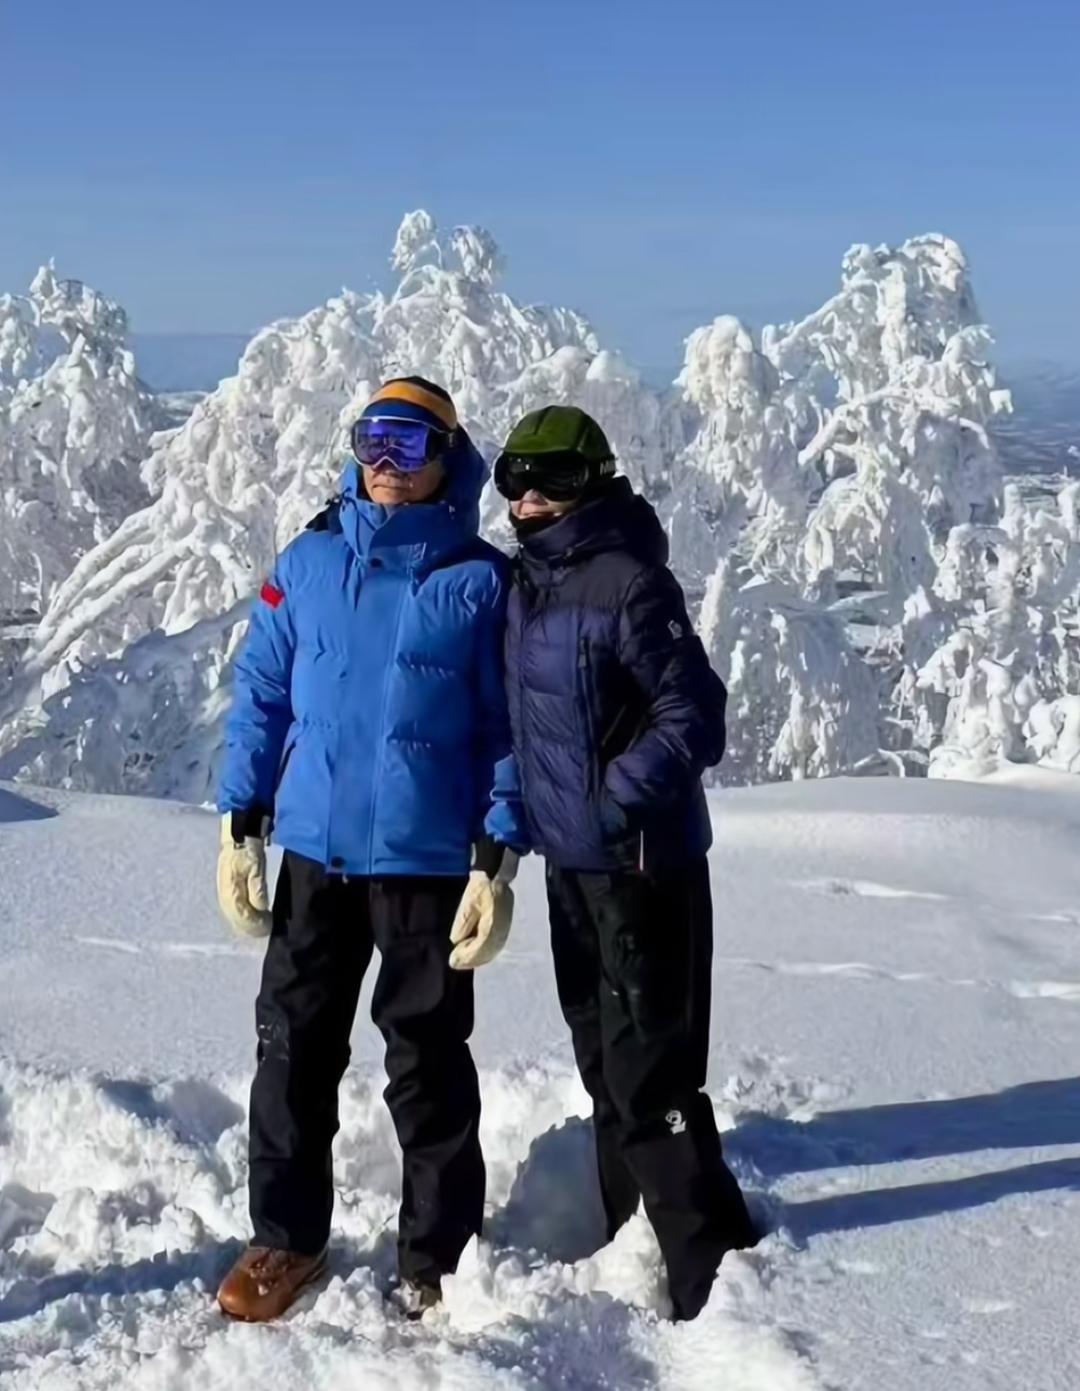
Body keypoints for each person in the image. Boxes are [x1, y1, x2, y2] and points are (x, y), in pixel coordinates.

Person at [214, 376, 523, 1323]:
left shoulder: (482, 582)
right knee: (291, 1049)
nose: (387, 462)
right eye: (372, 439)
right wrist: (240, 818)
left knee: (426, 1060)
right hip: (315, 855)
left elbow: (507, 729)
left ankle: (438, 1255)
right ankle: (286, 1237)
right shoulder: (307, 562)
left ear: (448, 460)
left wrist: (496, 856)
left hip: (425, 863)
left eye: (409, 443)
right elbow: (262, 692)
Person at [491, 405, 757, 1322]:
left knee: (651, 1072)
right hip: (572, 869)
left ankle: (709, 1272)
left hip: (644, 867)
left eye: (554, 478)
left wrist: (614, 802)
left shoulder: (631, 582)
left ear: (594, 482)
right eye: (515, 477)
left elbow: (696, 714)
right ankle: (626, 1225)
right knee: (602, 1059)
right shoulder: (525, 585)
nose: (530, 497)